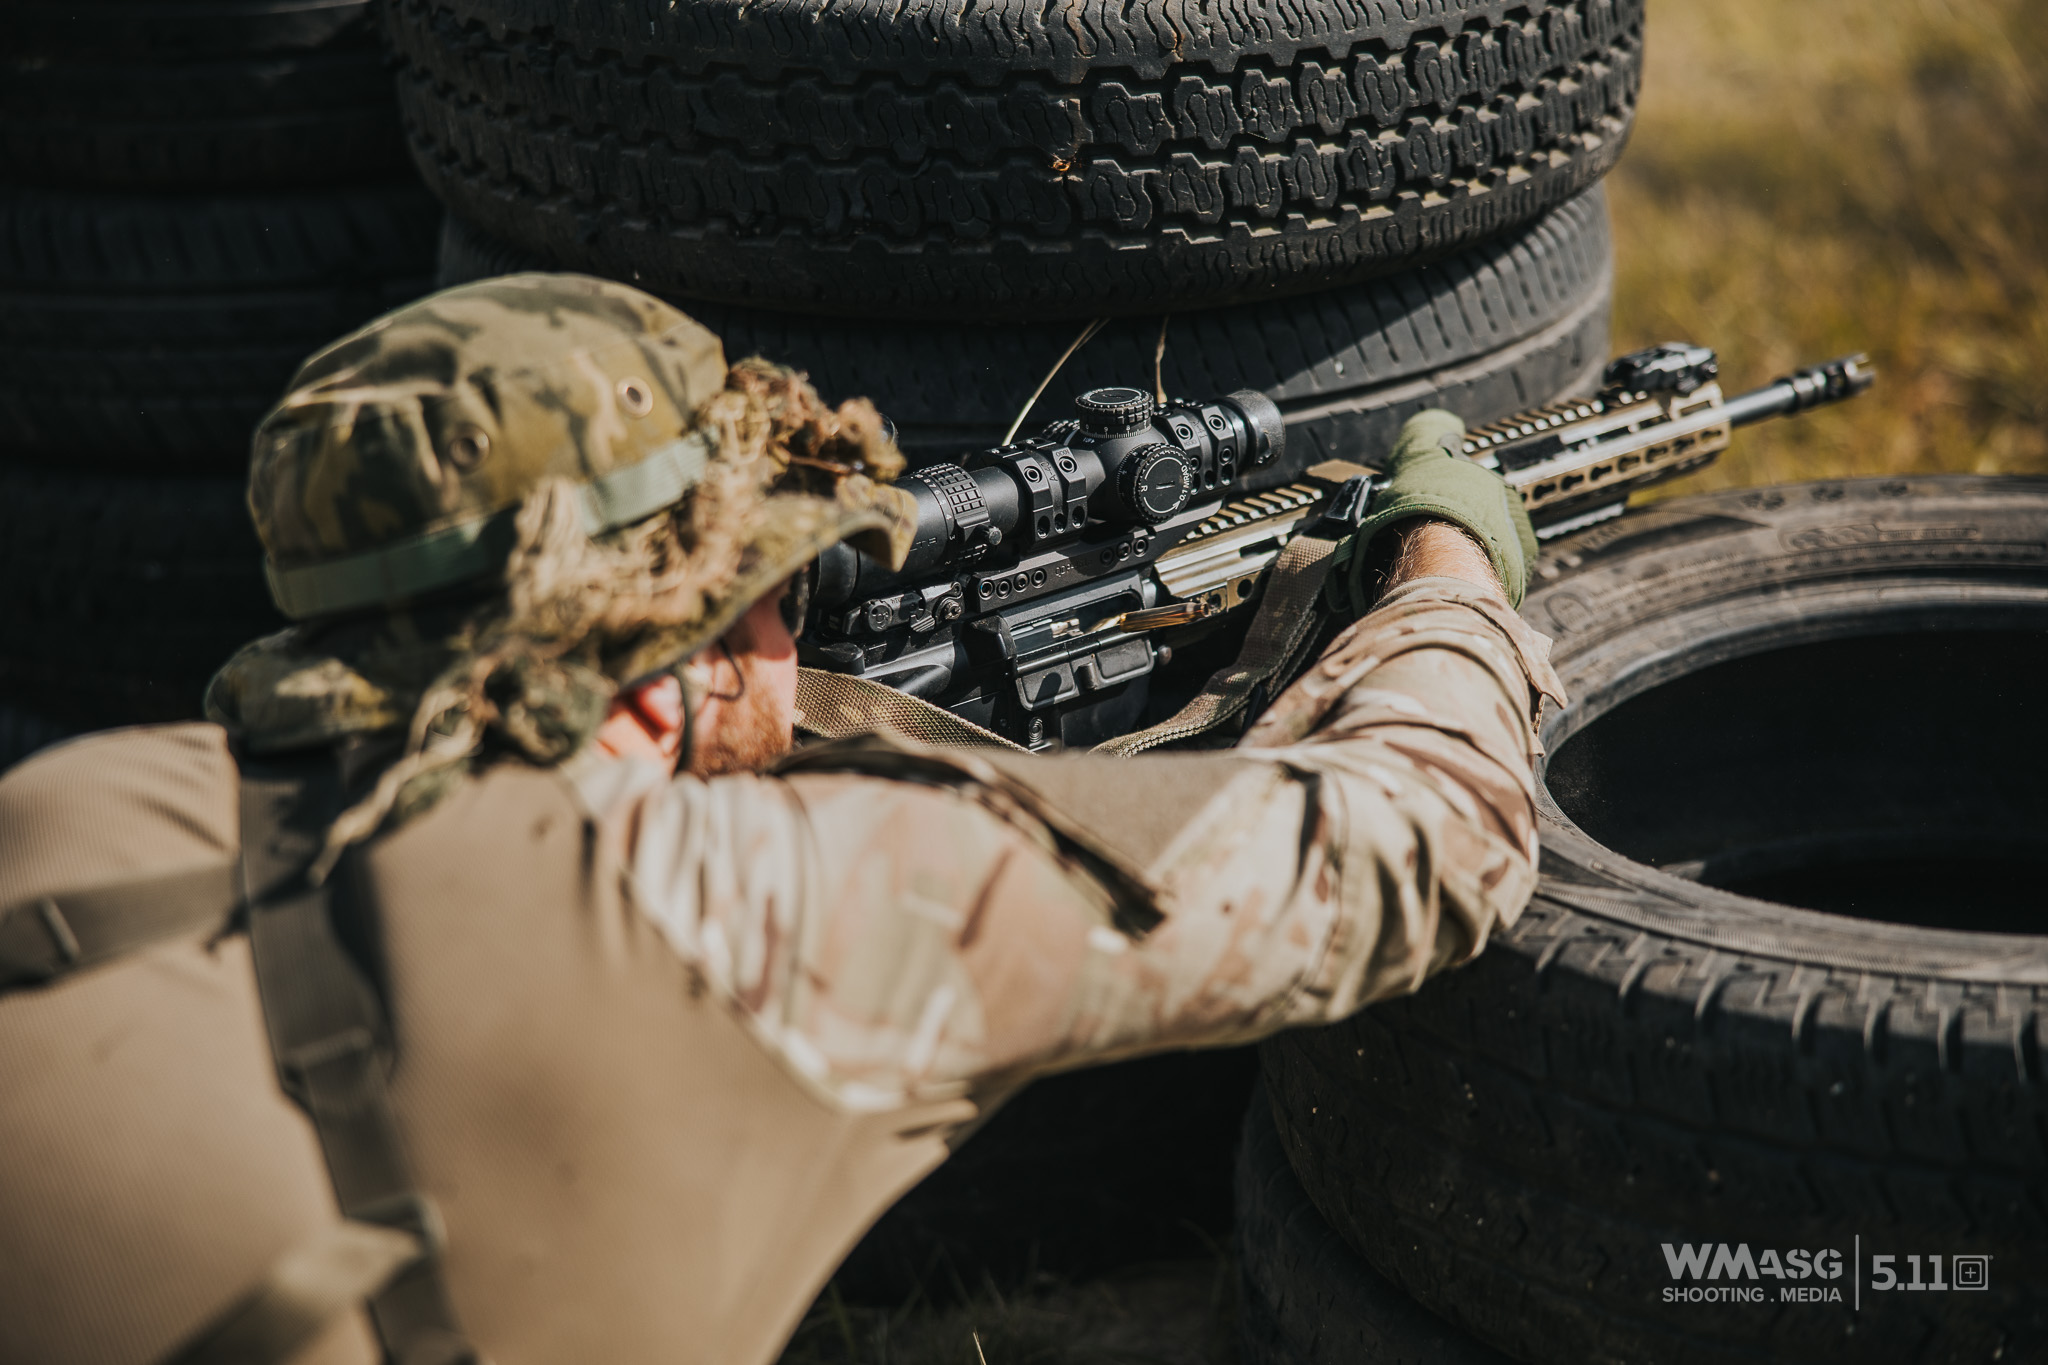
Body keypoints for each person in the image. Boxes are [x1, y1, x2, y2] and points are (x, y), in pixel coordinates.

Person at [0, 274, 1562, 1365]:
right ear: (668, 632)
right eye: (777, 581)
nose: (792, 630)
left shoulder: (75, 801)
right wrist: (1447, 556)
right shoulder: (738, 919)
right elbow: (1425, 832)